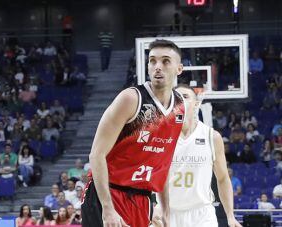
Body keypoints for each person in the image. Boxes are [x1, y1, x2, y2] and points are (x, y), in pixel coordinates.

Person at [82, 39, 187, 227]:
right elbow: (96, 155)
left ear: (179, 69)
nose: (157, 67)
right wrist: (107, 209)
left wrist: (165, 210)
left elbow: (163, 163)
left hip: (142, 199)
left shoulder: (179, 107)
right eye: (152, 61)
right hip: (109, 193)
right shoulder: (130, 99)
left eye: (165, 61)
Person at [168, 85, 241, 227]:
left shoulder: (211, 136)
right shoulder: (161, 136)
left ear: (196, 104)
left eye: (186, 96)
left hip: (201, 213)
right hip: (169, 212)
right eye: (176, 97)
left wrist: (230, 216)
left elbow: (223, 178)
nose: (180, 100)